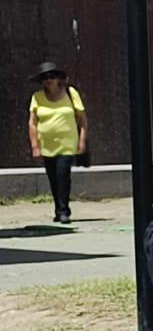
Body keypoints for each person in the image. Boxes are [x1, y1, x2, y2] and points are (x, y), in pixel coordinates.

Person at [27, 61, 87, 223]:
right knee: (53, 177)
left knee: (63, 174)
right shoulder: (37, 97)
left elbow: (82, 119)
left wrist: (82, 141)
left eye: (52, 76)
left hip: (67, 143)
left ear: (59, 78)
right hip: (47, 144)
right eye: (44, 77)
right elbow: (32, 123)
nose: (48, 80)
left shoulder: (70, 93)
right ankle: (58, 208)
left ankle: (63, 211)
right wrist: (34, 145)